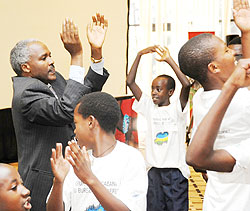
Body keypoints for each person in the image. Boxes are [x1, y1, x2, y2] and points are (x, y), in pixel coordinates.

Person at [10, 14, 109, 211]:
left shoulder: (54, 80)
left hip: (69, 172)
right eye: (44, 58)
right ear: (26, 67)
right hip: (44, 179)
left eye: (50, 55)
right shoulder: (25, 93)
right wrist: (76, 56)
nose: (52, 61)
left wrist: (96, 53)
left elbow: (82, 97)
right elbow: (64, 111)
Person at [178, 0, 250, 210]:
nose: (233, 53)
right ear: (214, 67)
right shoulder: (238, 100)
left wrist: (245, 32)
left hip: (217, 198)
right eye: (227, 51)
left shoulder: (202, 96)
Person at [46, 92, 148, 211]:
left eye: (76, 123)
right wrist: (58, 181)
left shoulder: (131, 158)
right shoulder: (76, 160)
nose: (74, 131)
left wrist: (89, 178)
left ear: (91, 122)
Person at [127, 45, 191, 211]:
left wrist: (168, 59)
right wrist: (139, 53)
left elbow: (186, 85)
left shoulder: (178, 109)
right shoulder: (149, 107)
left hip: (175, 173)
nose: (153, 93)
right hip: (154, 172)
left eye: (158, 89)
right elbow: (130, 81)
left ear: (170, 92)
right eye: (152, 89)